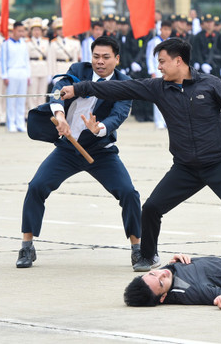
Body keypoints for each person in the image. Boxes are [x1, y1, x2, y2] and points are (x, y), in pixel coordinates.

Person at [59, 38, 221, 272]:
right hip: (185, 168)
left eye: (162, 62)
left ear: (179, 61)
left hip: (218, 164)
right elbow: (119, 88)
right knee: (151, 208)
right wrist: (78, 88)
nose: (158, 67)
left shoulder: (211, 85)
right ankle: (148, 256)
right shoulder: (158, 88)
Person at [17, 36, 142, 268]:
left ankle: (137, 250)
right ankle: (27, 247)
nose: (100, 62)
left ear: (117, 59)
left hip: (101, 151)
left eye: (106, 57)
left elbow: (119, 114)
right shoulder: (79, 70)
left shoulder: (124, 83)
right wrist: (60, 117)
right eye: (96, 57)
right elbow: (58, 89)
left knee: (128, 192)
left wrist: (100, 128)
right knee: (36, 187)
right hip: (68, 148)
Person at [1, 21, 30, 133]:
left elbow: (26, 60)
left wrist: (28, 75)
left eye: (23, 31)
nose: (21, 33)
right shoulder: (6, 43)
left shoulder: (24, 43)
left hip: (22, 72)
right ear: (14, 30)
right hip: (11, 72)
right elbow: (3, 61)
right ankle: (11, 123)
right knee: (11, 99)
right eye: (19, 31)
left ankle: (20, 122)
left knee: (21, 99)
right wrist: (4, 75)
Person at [145, 20, 172, 130]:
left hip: (169, 73)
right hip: (157, 72)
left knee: (169, 98)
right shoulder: (154, 41)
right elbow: (149, 58)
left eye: (168, 29)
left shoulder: (171, 42)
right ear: (160, 29)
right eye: (164, 29)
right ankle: (158, 121)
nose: (166, 32)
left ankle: (166, 120)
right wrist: (152, 72)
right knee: (158, 97)